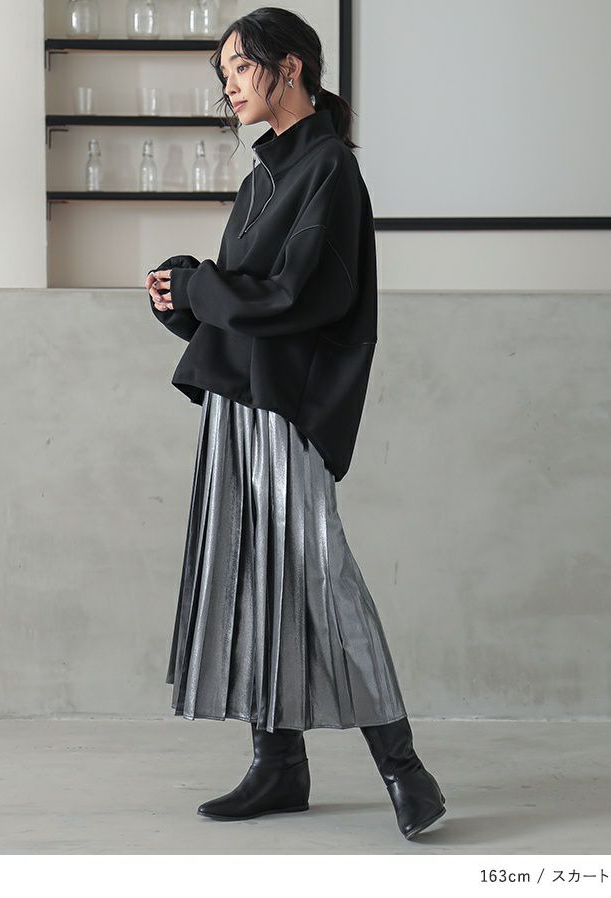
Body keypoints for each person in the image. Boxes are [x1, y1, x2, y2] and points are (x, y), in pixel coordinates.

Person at [145, 7, 446, 841]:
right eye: (225, 74)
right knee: (247, 576)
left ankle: (404, 767)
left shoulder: (328, 171)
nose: (230, 86)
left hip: (288, 408)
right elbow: (245, 306)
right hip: (240, 404)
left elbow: (300, 299)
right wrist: (181, 296)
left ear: (291, 68)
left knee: (320, 572)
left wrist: (202, 285)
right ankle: (278, 765)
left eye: (241, 67)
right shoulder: (263, 179)